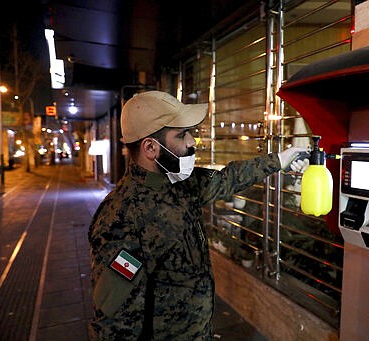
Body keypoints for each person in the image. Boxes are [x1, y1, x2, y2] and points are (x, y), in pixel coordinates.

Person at [88, 90, 307, 340]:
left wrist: (280, 160)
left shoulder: (179, 183)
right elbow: (114, 323)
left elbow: (228, 178)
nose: (192, 142)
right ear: (150, 147)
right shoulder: (123, 217)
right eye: (182, 134)